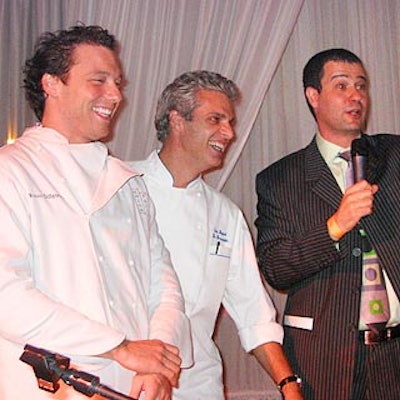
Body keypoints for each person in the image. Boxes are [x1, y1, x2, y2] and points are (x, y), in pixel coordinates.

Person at [0, 25, 192, 400]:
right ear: (52, 84)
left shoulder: (127, 181)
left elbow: (164, 285)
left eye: (118, 83)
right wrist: (119, 347)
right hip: (51, 387)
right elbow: (6, 294)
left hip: (135, 386)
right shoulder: (11, 170)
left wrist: (158, 361)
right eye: (98, 80)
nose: (116, 95)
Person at [130, 70, 304, 400]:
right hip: (127, 380)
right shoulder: (121, 185)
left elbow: (254, 313)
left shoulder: (225, 214)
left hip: (198, 384)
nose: (229, 133)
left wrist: (288, 385)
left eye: (230, 122)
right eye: (216, 119)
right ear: (177, 121)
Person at [255, 48, 400, 400]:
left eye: (361, 86)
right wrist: (335, 225)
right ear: (313, 96)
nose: (356, 96)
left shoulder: (395, 155)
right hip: (325, 361)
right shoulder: (280, 179)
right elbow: (276, 268)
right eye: (342, 85)